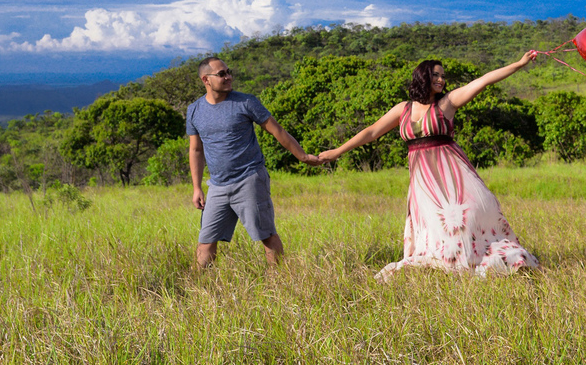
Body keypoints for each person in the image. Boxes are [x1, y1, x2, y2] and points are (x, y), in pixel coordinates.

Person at [317, 53, 541, 279]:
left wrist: (519, 64)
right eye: (435, 75)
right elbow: (372, 132)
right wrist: (337, 152)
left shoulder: (448, 102)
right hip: (423, 182)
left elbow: (484, 80)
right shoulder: (402, 109)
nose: (441, 80)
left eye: (443, 76)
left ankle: (472, 262)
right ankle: (451, 266)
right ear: (423, 76)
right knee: (435, 228)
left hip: (453, 174)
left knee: (464, 218)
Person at [188, 57, 319, 268]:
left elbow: (277, 130)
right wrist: (196, 187)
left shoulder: (246, 102)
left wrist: (302, 156)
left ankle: (279, 283)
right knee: (205, 243)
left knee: (266, 236)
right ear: (206, 79)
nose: (228, 77)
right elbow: (195, 149)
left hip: (249, 178)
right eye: (222, 74)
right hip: (217, 186)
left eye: (229, 72)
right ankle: (199, 289)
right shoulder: (194, 110)